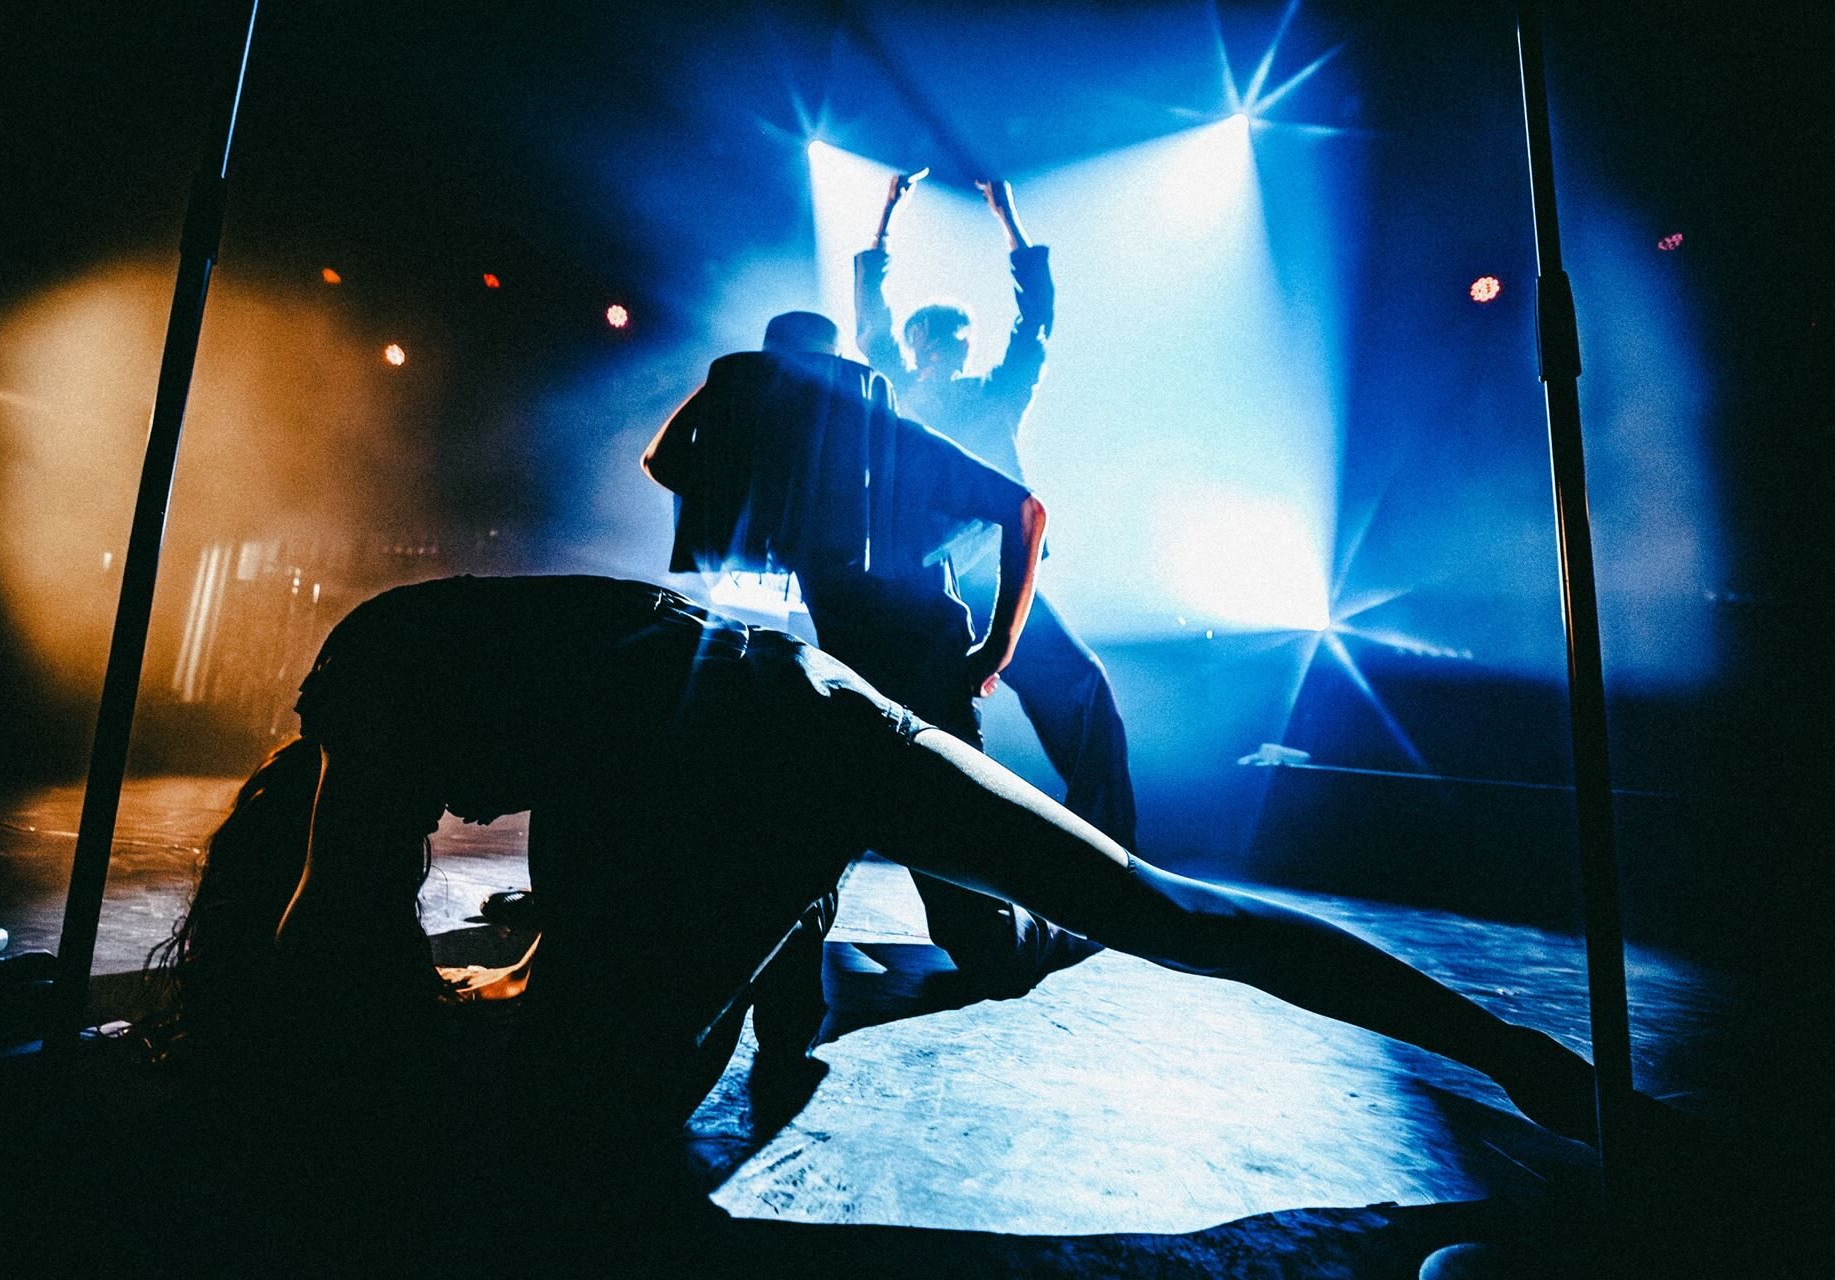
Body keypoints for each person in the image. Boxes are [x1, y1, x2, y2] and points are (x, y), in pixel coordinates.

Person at [163, 573, 1609, 1162]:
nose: (455, 820)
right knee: (1168, 913)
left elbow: (334, 917)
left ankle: (791, 928)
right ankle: (1523, 1055)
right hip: (817, 702)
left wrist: (267, 1096)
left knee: (586, 1102)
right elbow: (590, 817)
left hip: (718, 730)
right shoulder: (437, 663)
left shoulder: (364, 697)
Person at [643, 310, 1089, 1002]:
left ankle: (1069, 928)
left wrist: (998, 647)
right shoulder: (770, 460)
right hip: (841, 683)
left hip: (924, 684)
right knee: (792, 853)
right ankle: (787, 999)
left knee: (980, 940)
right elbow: (663, 464)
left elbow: (1026, 512)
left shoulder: (893, 444)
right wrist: (725, 385)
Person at [855, 172, 1139, 855]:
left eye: (953, 337)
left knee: (1082, 688)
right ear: (916, 345)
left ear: (964, 345)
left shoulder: (995, 390)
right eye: (931, 337)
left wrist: (1008, 218)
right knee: (923, 723)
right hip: (928, 582)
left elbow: (1035, 320)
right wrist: (885, 217)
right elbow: (872, 323)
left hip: (999, 574)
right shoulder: (897, 392)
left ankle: (1107, 848)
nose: (942, 346)